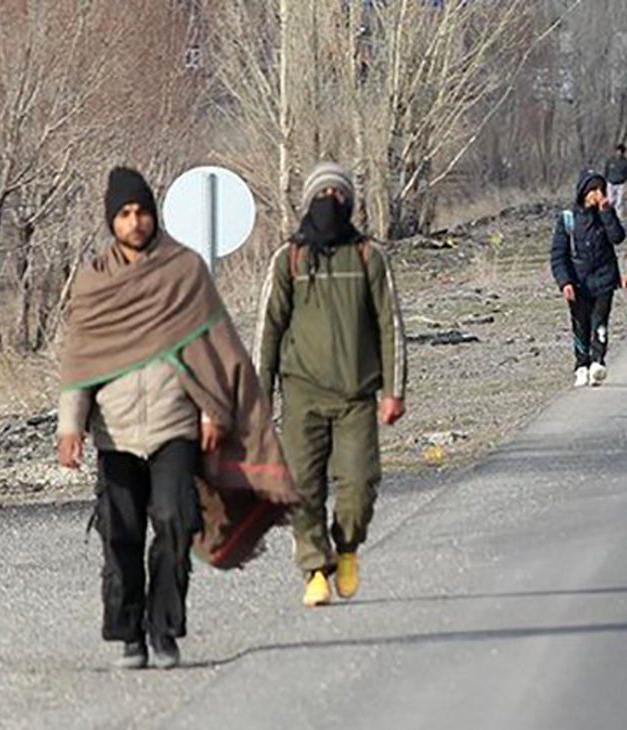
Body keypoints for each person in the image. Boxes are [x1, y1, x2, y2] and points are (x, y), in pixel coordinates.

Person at [58, 167, 296, 670]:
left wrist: (213, 411)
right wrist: (70, 427)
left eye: (142, 211)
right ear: (112, 221)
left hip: (174, 427)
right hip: (116, 433)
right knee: (119, 533)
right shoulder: (94, 283)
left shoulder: (184, 271)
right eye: (124, 213)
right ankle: (129, 634)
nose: (135, 221)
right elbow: (79, 361)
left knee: (173, 521)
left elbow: (215, 349)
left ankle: (164, 631)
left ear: (154, 214)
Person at [257, 163, 408, 608]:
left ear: (350, 203)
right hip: (302, 395)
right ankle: (315, 570)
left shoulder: (368, 256)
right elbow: (267, 331)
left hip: (357, 396)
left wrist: (393, 391)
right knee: (301, 489)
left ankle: (346, 548)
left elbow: (390, 325)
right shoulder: (289, 258)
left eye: (338, 195)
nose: (330, 202)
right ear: (308, 203)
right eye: (322, 194)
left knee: (358, 487)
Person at [551, 170, 626, 387]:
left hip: (604, 279)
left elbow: (617, 237)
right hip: (578, 282)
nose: (597, 194)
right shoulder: (568, 219)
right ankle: (581, 365)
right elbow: (558, 255)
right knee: (580, 325)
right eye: (593, 190)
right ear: (583, 192)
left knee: (600, 321)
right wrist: (564, 282)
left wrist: (606, 213)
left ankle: (597, 361)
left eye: (600, 190)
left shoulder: (605, 216)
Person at [603, 144, 627, 220]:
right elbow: (606, 171)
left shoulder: (625, 162)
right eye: (618, 151)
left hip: (620, 184)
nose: (619, 153)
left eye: (621, 151)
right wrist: (604, 181)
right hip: (610, 183)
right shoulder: (610, 160)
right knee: (610, 200)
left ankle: (618, 218)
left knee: (619, 202)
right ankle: (609, 216)